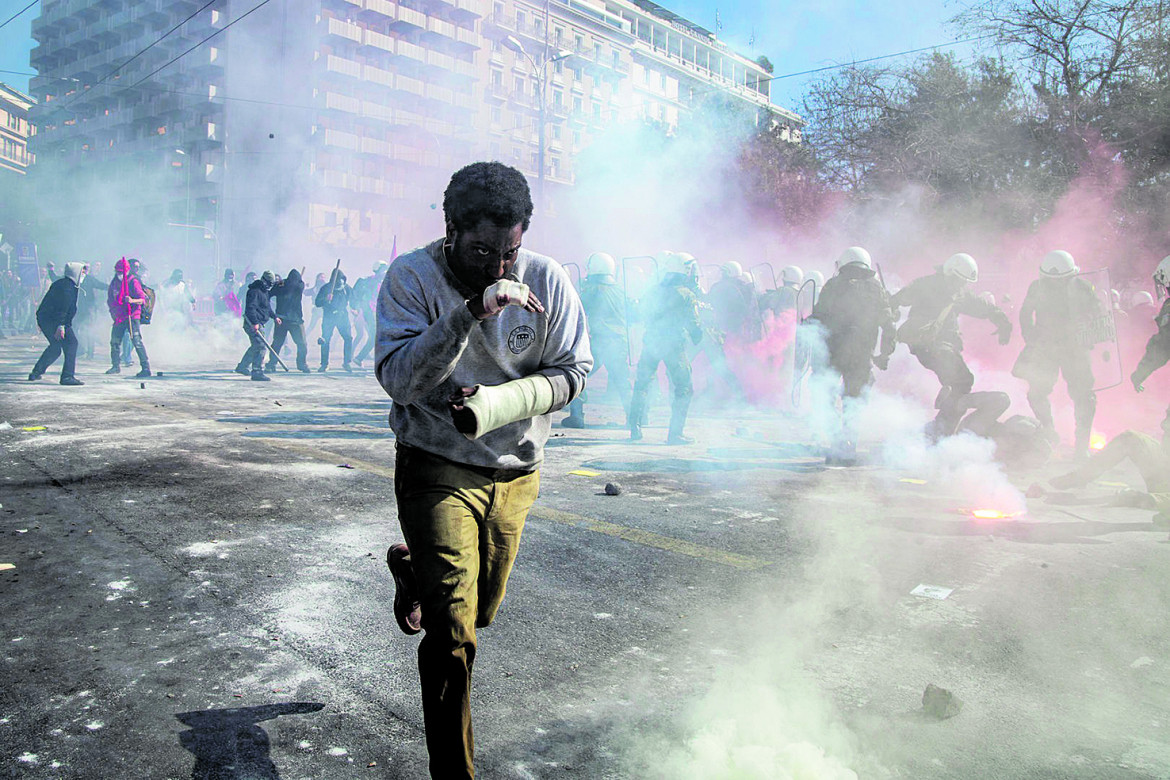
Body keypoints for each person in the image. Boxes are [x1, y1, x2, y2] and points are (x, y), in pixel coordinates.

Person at [375, 162, 590, 780]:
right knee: (452, 636)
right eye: (481, 250)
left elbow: (574, 371)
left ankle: (414, 567)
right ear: (450, 229)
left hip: (516, 468)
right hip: (436, 465)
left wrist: (505, 402)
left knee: (482, 610)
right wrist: (470, 311)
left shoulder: (547, 278)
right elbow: (400, 380)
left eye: (509, 251)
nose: (499, 265)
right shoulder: (412, 277)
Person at [891, 253, 1012, 439]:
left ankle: (942, 428)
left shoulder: (959, 293)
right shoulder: (925, 285)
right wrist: (889, 311)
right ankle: (942, 425)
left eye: (963, 281)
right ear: (949, 272)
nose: (959, 284)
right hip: (929, 346)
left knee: (962, 383)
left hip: (940, 347)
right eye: (957, 279)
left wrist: (1002, 321)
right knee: (959, 380)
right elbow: (900, 298)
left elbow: (982, 307)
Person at [803, 247, 896, 464]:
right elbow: (889, 326)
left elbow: (819, 317)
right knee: (854, 403)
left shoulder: (833, 285)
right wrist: (884, 355)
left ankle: (835, 443)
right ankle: (848, 448)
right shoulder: (876, 288)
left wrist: (807, 327)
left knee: (824, 395)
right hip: (862, 356)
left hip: (833, 354)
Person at [1011, 250, 1101, 456]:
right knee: (1037, 393)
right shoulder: (1038, 287)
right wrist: (1031, 339)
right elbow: (1025, 314)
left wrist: (1091, 335)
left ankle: (1081, 444)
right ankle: (1049, 433)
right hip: (1047, 349)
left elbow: (1097, 314)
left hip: (1074, 349)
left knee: (1084, 396)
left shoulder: (1083, 287)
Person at [629, 251, 703, 444]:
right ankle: (675, 434)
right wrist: (698, 335)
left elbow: (641, 312)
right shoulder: (686, 294)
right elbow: (694, 324)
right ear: (684, 270)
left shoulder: (653, 290)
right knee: (684, 387)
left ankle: (634, 428)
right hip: (673, 346)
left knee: (642, 384)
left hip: (651, 342)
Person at [562, 251, 631, 427]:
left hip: (600, 341)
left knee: (579, 374)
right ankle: (634, 420)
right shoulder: (620, 290)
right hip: (620, 342)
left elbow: (576, 309)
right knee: (623, 382)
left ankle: (577, 417)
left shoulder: (592, 290)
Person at [28, 262, 86, 386]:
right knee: (71, 343)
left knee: (55, 347)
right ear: (75, 273)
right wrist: (61, 326)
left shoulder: (64, 284)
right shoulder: (68, 287)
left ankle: (36, 372)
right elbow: (63, 308)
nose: (83, 274)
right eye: (82, 271)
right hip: (54, 321)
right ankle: (67, 376)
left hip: (46, 319)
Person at [106, 257, 151, 377]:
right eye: (118, 272)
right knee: (115, 342)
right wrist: (112, 311)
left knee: (136, 341)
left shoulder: (133, 281)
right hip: (119, 316)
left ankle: (145, 367)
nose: (119, 274)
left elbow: (143, 299)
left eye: (121, 272)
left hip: (132, 315)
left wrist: (132, 300)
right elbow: (110, 298)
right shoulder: (114, 282)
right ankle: (115, 366)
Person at [234, 271, 277, 381]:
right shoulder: (254, 291)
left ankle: (242, 366)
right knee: (261, 346)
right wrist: (254, 323)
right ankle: (257, 371)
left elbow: (266, 307)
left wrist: (274, 316)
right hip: (252, 323)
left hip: (260, 322)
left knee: (255, 346)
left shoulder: (264, 292)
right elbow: (250, 308)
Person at [266, 268, 309, 373]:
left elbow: (270, 294)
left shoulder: (296, 285)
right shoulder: (298, 284)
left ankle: (301, 364)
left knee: (300, 343)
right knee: (278, 343)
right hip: (284, 319)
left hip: (294, 319)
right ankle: (272, 364)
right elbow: (268, 295)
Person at [315, 268, 355, 372]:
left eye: (341, 279)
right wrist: (326, 299)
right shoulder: (326, 288)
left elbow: (354, 300)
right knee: (325, 340)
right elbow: (317, 302)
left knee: (348, 338)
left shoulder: (346, 288)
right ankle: (324, 364)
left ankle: (347, 363)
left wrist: (355, 309)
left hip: (342, 317)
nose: (339, 282)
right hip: (329, 317)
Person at [353, 261, 388, 366]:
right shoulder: (369, 282)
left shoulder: (382, 282)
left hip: (378, 313)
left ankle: (362, 358)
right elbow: (365, 299)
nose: (385, 272)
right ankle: (360, 357)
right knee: (374, 337)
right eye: (383, 270)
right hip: (370, 313)